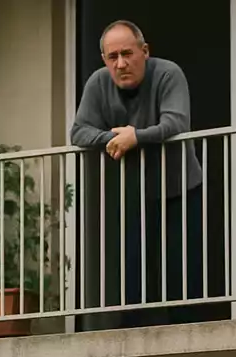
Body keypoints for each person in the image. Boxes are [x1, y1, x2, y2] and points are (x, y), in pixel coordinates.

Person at [70, 20, 205, 328]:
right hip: (133, 193)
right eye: (112, 56)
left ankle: (187, 335)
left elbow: (176, 123)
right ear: (104, 59)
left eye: (128, 54)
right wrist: (113, 139)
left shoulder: (168, 73)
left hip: (180, 187)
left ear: (145, 51)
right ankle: (135, 336)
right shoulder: (98, 82)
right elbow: (78, 132)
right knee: (133, 271)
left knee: (182, 271)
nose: (121, 63)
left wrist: (136, 137)